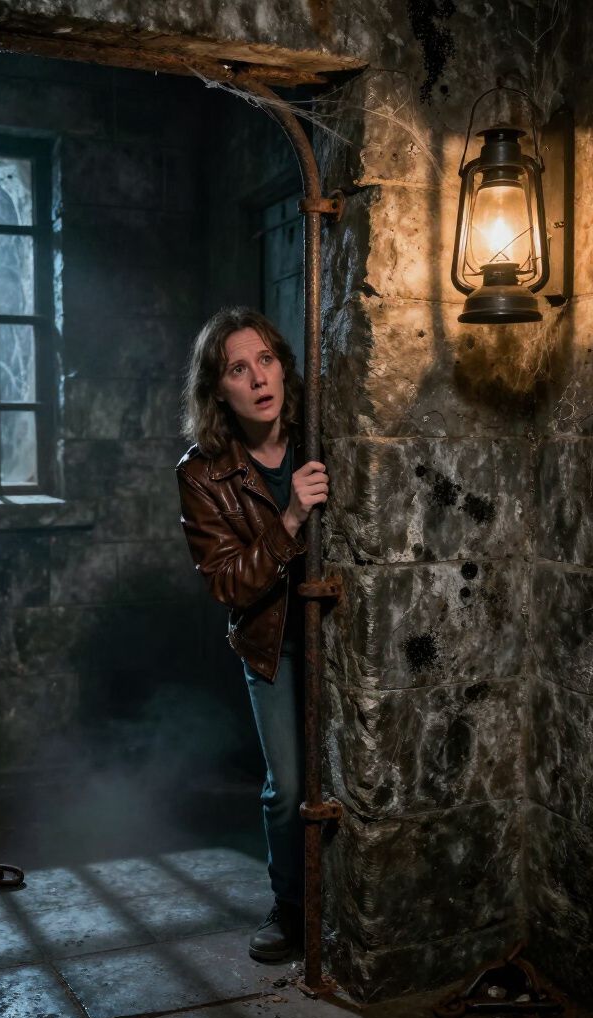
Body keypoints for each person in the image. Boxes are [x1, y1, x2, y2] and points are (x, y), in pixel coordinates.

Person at [175, 307, 329, 963]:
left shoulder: (323, 429)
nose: (258, 378)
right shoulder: (201, 473)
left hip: (338, 634)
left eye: (265, 359)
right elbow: (229, 585)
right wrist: (289, 518)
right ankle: (290, 909)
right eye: (239, 369)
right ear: (220, 390)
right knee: (289, 786)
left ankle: (340, 904)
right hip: (273, 641)